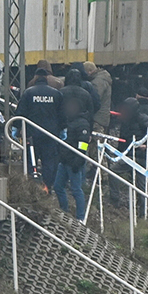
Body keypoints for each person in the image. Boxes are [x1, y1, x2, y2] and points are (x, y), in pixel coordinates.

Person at [16, 68, 64, 190]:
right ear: (47, 79)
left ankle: (32, 186)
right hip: (50, 134)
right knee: (49, 162)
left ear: (35, 78)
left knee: (31, 160)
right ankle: (47, 187)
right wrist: (61, 129)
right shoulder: (56, 94)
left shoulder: (28, 93)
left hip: (32, 134)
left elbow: (20, 113)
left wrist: (17, 128)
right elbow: (62, 115)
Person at [108, 97, 148, 215]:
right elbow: (123, 138)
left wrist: (144, 143)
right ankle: (142, 211)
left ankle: (117, 200)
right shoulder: (127, 119)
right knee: (141, 185)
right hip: (129, 154)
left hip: (137, 155)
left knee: (115, 172)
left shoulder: (142, 118)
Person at [53, 82, 91, 220]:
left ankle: (81, 218)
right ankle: (65, 211)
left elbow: (84, 143)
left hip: (73, 161)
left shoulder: (82, 124)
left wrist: (79, 160)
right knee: (58, 186)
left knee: (76, 190)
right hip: (64, 160)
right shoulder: (69, 121)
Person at [83, 62, 112, 131]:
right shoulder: (102, 77)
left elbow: (94, 99)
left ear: (89, 71)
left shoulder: (98, 82)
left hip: (98, 119)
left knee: (96, 140)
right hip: (102, 117)